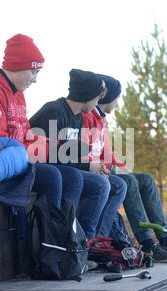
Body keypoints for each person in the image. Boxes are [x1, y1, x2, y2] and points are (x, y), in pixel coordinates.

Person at [0, 34, 83, 212]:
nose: (35, 79)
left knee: (73, 177)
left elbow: (25, 133)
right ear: (17, 66)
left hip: (18, 159)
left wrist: (55, 146)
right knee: (52, 176)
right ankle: (45, 237)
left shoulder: (18, 94)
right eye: (33, 72)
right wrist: (34, 154)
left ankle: (66, 234)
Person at [82, 74, 167, 263]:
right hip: (95, 171)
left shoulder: (101, 119)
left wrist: (123, 168)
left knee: (146, 179)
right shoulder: (88, 117)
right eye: (117, 97)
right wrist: (109, 169)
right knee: (130, 182)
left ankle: (164, 238)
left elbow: (107, 152)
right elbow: (86, 152)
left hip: (107, 167)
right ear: (107, 97)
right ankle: (148, 244)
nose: (117, 101)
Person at [29, 69, 127, 240]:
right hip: (45, 169)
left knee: (117, 184)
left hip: (66, 167)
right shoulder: (54, 111)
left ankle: (97, 240)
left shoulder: (77, 117)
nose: (98, 102)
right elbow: (50, 154)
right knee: (100, 184)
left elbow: (71, 153)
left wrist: (96, 165)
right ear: (87, 96)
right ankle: (83, 240)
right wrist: (88, 166)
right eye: (97, 98)